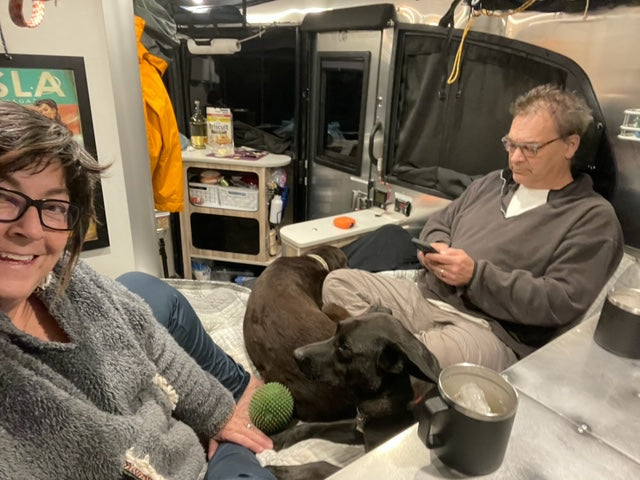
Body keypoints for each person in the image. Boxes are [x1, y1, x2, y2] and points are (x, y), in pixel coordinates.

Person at [0, 100, 274, 480]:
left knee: (144, 288)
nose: (30, 230)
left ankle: (241, 387)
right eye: (3, 197)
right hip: (168, 464)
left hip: (170, 423)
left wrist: (220, 412)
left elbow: (150, 338)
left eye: (52, 205)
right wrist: (229, 441)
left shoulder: (66, 277)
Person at [324, 84, 624, 371]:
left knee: (416, 357)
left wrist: (475, 276)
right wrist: (436, 249)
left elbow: (559, 301)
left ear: (570, 145)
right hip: (426, 296)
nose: (515, 158)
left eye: (530, 148)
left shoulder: (593, 218)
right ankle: (388, 350)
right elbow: (439, 224)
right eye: (511, 144)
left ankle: (387, 353)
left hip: (489, 330)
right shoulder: (492, 183)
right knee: (337, 284)